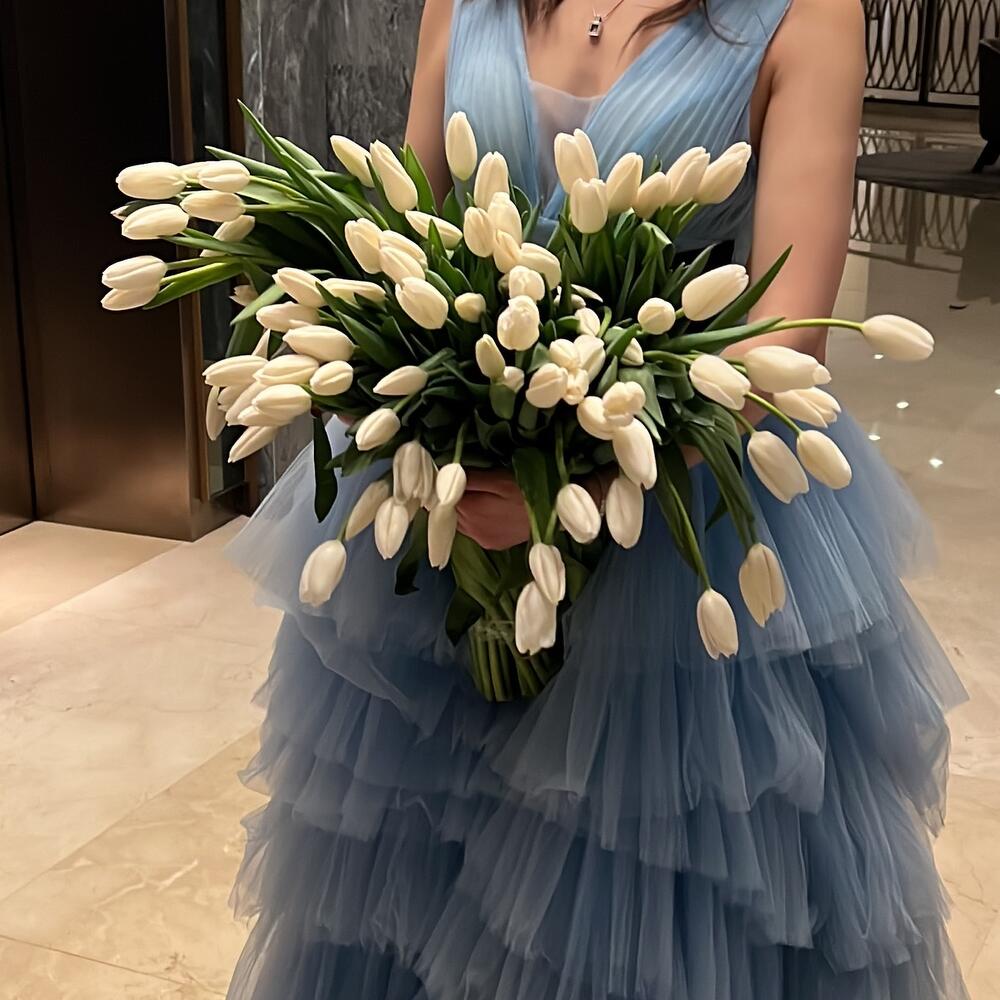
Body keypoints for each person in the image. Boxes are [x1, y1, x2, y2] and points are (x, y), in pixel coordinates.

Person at [224, 0, 969, 996]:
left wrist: (571, 485)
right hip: (449, 493)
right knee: (409, 878)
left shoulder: (804, 14)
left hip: (682, 521)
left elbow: (783, 338)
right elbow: (400, 240)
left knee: (635, 904)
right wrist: (413, 409)